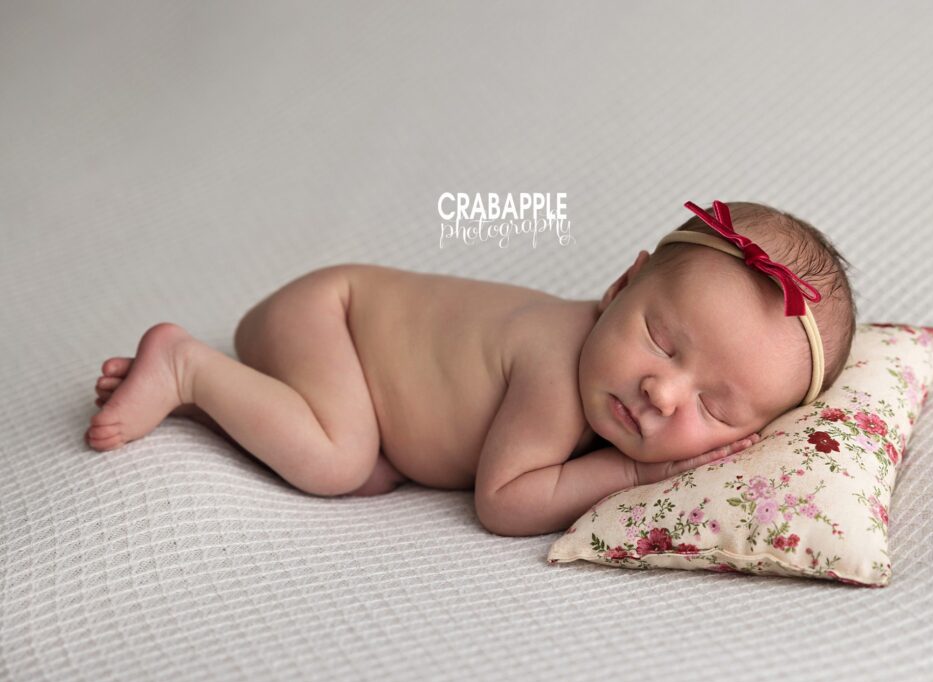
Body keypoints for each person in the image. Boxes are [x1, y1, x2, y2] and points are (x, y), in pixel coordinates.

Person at [87, 199, 857, 536]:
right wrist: (628, 474)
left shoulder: (612, 377)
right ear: (620, 285)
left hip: (343, 341)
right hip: (326, 317)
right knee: (339, 459)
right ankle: (186, 366)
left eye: (714, 409)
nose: (663, 390)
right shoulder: (558, 370)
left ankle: (223, 402)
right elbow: (503, 499)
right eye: (659, 339)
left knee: (370, 467)